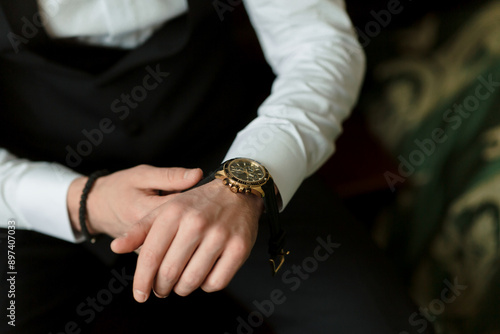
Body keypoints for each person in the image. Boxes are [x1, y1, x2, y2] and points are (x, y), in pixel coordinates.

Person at [0, 1, 434, 333]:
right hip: (30, 191)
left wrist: (245, 180)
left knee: (373, 319)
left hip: (225, 160)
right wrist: (82, 202)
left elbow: (318, 46)